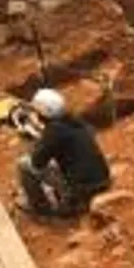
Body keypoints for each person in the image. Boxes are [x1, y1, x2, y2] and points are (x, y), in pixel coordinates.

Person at [17, 89, 111, 218]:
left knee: (24, 164)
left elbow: (37, 162)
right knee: (58, 161)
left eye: (36, 111)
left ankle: (40, 207)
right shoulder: (74, 122)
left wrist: (35, 134)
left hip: (81, 190)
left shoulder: (53, 132)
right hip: (102, 180)